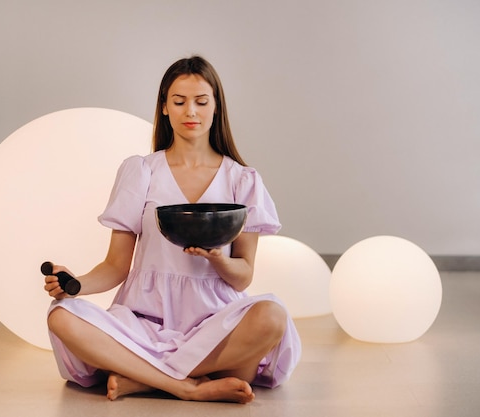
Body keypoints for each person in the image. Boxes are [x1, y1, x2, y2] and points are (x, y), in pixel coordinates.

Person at [44, 55, 301, 404]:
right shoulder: (141, 171)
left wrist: (217, 259)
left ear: (216, 107)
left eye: (200, 102)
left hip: (215, 321)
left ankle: (144, 378)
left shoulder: (242, 179)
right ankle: (185, 385)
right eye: (179, 102)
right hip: (145, 320)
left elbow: (243, 276)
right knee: (61, 316)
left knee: (272, 315)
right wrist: (73, 284)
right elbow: (115, 266)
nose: (190, 112)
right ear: (165, 107)